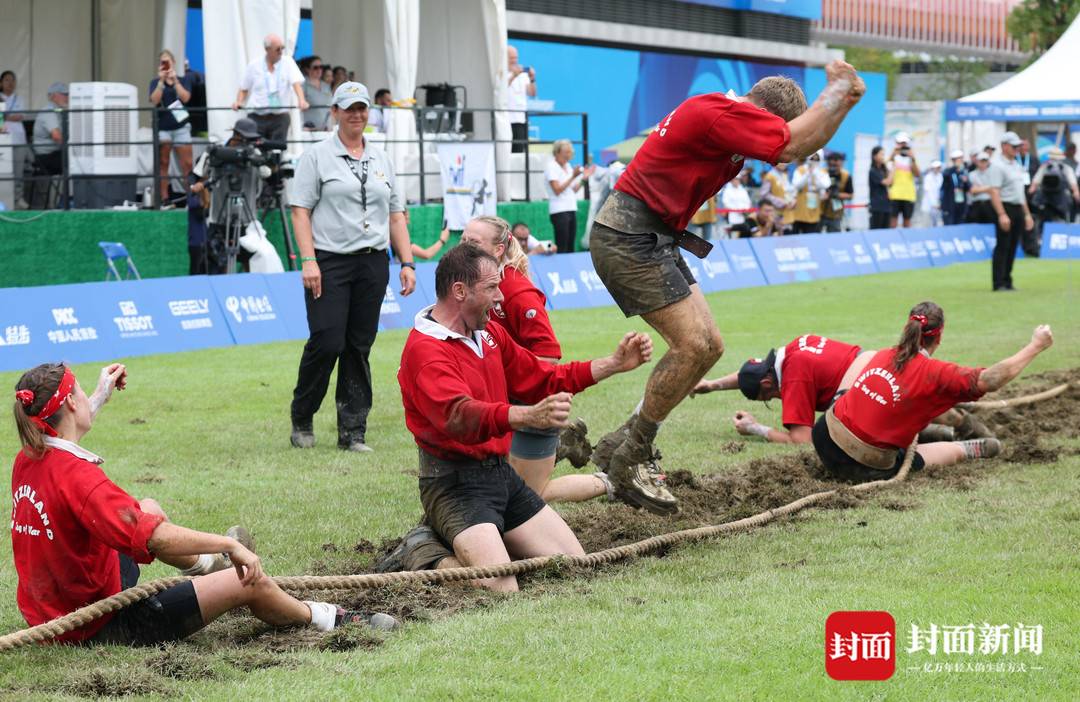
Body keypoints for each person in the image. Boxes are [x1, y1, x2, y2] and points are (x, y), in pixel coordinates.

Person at [588, 61, 865, 514]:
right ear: (766, 114)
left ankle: (622, 443)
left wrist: (845, 101)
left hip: (650, 237)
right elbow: (793, 143)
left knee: (710, 345)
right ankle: (633, 455)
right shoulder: (722, 112)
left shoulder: (726, 116)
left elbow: (798, 145)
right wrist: (835, 92)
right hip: (630, 237)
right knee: (692, 344)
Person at [9, 362, 395, 645]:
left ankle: (209, 568)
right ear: (69, 407)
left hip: (52, 611)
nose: (83, 397)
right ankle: (328, 618)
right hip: (96, 626)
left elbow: (64, 430)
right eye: (78, 392)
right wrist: (228, 543)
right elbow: (156, 539)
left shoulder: (29, 457)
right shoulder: (81, 481)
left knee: (150, 506)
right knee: (247, 580)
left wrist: (98, 396)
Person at [389, 245, 653, 591]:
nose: (500, 298)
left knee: (575, 564)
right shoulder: (425, 351)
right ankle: (424, 551)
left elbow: (541, 378)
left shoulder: (489, 334)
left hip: (502, 476)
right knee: (502, 588)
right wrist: (525, 415)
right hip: (454, 487)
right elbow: (458, 416)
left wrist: (613, 364)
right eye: (492, 287)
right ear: (459, 291)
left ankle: (482, 540)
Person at [289, 82, 416, 453]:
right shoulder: (316, 157)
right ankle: (303, 414)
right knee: (327, 341)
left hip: (373, 261)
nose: (357, 114)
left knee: (359, 346)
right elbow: (300, 211)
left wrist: (406, 262)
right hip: (328, 261)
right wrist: (309, 260)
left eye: (362, 108)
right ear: (335, 112)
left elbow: (395, 215)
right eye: (349, 109)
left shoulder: (381, 158)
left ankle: (353, 430)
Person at [458, 215, 620, 503]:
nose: (464, 247)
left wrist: (518, 400)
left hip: (533, 401)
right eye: (462, 240)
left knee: (528, 496)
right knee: (502, 484)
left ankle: (615, 481)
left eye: (474, 242)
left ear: (498, 250)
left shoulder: (517, 291)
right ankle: (559, 446)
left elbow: (548, 355)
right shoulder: (473, 287)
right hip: (508, 404)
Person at [813, 302, 1053, 482]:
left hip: (823, 437)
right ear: (938, 337)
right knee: (922, 456)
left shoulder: (884, 354)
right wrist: (1036, 345)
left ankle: (948, 429)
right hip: (864, 467)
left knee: (868, 361)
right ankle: (966, 447)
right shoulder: (936, 375)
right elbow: (990, 379)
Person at [231, 34, 307, 142]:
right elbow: (244, 88)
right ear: (267, 49)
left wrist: (302, 100)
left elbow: (296, 84)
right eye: (277, 49)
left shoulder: (288, 62)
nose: (281, 51)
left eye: (282, 48)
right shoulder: (254, 65)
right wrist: (238, 102)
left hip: (280, 116)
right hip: (257, 116)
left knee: (277, 149)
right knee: (256, 148)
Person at [989, 131, 1035, 291]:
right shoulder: (997, 165)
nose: (1016, 148)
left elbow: (1020, 192)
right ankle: (998, 282)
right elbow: (994, 191)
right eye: (1013, 146)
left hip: (1017, 208)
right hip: (1004, 206)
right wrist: (1002, 214)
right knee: (1003, 245)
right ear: (1004, 146)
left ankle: (1007, 280)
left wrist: (1027, 214)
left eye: (1018, 146)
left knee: (1013, 245)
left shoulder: (1017, 165)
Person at [149, 50, 195, 205]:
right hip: (163, 127)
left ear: (174, 63)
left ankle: (192, 197)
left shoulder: (182, 79)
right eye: (163, 62)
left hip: (181, 126)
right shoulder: (155, 82)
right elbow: (154, 100)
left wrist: (174, 81)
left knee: (187, 164)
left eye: (168, 62)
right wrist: (161, 81)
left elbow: (186, 98)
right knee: (163, 162)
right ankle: (164, 198)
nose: (166, 65)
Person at [545, 139, 593, 253]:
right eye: (566, 152)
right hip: (559, 210)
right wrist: (573, 176)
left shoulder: (568, 166)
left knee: (570, 245)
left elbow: (574, 189)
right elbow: (557, 190)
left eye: (570, 152)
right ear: (557, 152)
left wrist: (583, 179)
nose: (568, 155)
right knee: (562, 245)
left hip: (571, 208)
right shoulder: (551, 166)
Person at [1, 70, 30, 209]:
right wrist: (10, 117)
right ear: (1, 83)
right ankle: (4, 200)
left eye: (13, 80)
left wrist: (5, 117)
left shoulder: (20, 98)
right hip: (2, 141)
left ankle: (18, 199)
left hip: (18, 139)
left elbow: (21, 116)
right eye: (7, 80)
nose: (10, 83)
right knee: (3, 171)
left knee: (18, 172)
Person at [1030, 147, 1079, 226]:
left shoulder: (1045, 167)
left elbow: (1034, 184)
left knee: (1044, 222)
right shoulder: (1066, 168)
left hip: (1046, 200)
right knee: (1064, 221)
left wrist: (1031, 193)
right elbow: (1073, 184)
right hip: (1061, 201)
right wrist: (1076, 194)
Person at [31, 82, 68, 177]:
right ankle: (73, 190)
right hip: (46, 158)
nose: (68, 97)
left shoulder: (58, 110)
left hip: (53, 154)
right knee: (77, 159)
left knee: (77, 158)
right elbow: (57, 136)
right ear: (54, 96)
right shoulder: (49, 111)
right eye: (65, 94)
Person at [790, 152, 830, 234]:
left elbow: (825, 185)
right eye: (812, 159)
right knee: (797, 228)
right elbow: (797, 185)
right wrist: (807, 174)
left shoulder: (822, 171)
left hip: (814, 203)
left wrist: (815, 175)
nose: (814, 161)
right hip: (800, 203)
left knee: (811, 228)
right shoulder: (800, 169)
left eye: (817, 159)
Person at [506, 46, 536, 153]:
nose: (514, 60)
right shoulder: (501, 73)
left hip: (521, 119)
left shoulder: (523, 75)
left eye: (516, 57)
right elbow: (501, 91)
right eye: (511, 58)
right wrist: (513, 76)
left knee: (520, 152)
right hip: (507, 120)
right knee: (509, 151)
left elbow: (532, 93)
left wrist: (532, 79)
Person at [887, 132, 919, 228]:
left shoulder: (911, 159)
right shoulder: (893, 158)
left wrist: (913, 158)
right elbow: (885, 168)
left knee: (907, 221)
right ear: (896, 144)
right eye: (900, 143)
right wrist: (893, 154)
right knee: (893, 220)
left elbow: (917, 174)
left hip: (909, 195)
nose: (903, 146)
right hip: (894, 195)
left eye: (904, 143)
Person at [966, 152, 1002, 228]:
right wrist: (988, 188)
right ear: (977, 162)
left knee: (991, 226)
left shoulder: (993, 173)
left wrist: (979, 188)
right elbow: (972, 190)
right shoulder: (972, 174)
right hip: (976, 205)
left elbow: (994, 189)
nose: (983, 163)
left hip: (990, 204)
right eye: (981, 161)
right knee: (976, 227)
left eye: (985, 161)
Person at [820, 151, 853, 232]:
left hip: (836, 213)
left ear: (841, 163)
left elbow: (851, 195)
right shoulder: (821, 173)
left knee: (834, 237)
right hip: (820, 211)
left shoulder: (846, 176)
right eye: (831, 165)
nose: (833, 167)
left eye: (836, 165)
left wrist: (837, 195)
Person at [299, 56, 331, 131]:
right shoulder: (302, 85)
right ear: (307, 69)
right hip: (310, 129)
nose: (319, 70)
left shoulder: (326, 86)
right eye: (315, 67)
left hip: (326, 129)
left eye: (321, 67)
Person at [759, 162, 796, 229]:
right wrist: (780, 202)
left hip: (788, 212)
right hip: (776, 213)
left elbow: (788, 191)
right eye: (781, 162)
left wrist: (793, 200)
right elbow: (764, 194)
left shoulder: (784, 175)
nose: (783, 164)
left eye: (785, 162)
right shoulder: (770, 176)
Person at [940, 150, 970, 225]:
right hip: (950, 205)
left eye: (961, 159)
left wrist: (965, 181)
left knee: (961, 223)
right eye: (957, 159)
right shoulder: (948, 171)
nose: (960, 161)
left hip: (961, 203)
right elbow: (945, 183)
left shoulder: (964, 172)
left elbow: (968, 188)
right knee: (950, 224)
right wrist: (956, 169)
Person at [867, 146, 892, 229]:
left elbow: (891, 182)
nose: (883, 157)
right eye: (881, 154)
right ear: (874, 156)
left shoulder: (883, 170)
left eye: (883, 155)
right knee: (876, 230)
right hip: (877, 207)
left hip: (886, 206)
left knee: (886, 230)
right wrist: (894, 169)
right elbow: (886, 182)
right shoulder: (873, 171)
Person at [921, 160, 944, 227]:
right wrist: (934, 204)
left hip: (938, 206)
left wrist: (938, 203)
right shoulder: (928, 177)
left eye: (938, 167)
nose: (937, 169)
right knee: (927, 224)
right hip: (928, 205)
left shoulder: (941, 177)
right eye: (936, 167)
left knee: (938, 224)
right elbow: (928, 192)